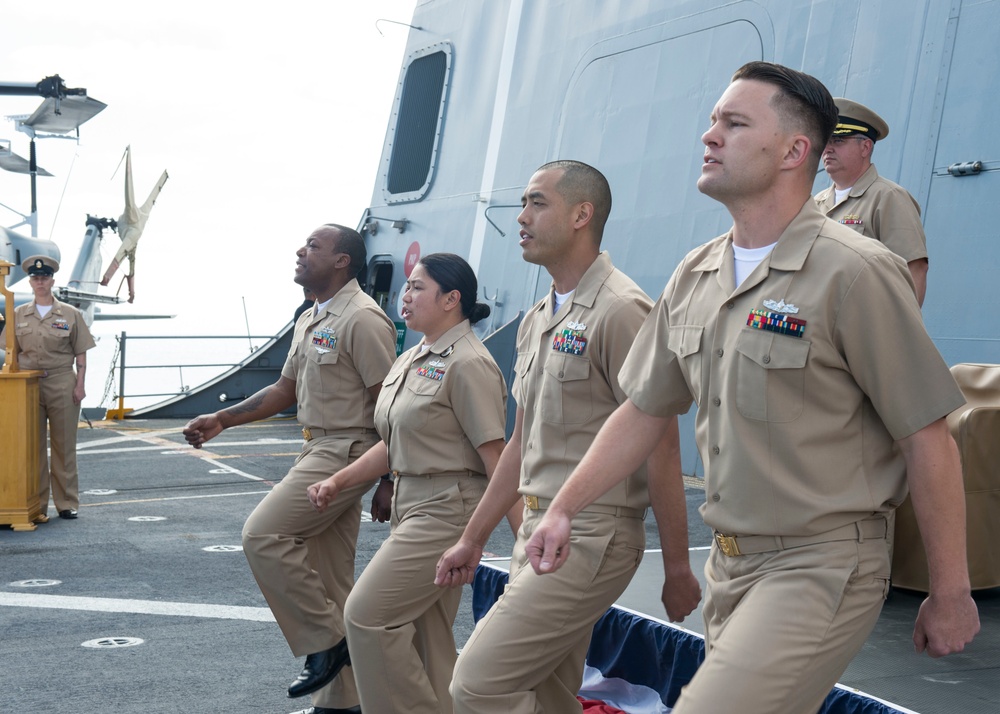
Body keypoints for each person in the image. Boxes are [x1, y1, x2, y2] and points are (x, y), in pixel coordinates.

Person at [524, 63, 980, 714]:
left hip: (820, 567)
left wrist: (950, 590)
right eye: (712, 121)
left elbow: (926, 435)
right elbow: (643, 409)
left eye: (734, 124)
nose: (710, 136)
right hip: (731, 570)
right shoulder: (696, 272)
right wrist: (566, 506)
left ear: (796, 151)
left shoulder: (856, 272)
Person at [434, 160, 701, 713]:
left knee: (477, 683)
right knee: (550, 691)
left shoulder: (623, 310)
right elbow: (520, 444)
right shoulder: (538, 319)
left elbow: (662, 445)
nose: (522, 217)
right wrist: (474, 536)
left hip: (591, 534)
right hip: (537, 529)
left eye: (536, 203)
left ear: (582, 215)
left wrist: (677, 568)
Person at [183, 224, 396, 714]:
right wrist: (222, 419)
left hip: (346, 452)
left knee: (263, 535)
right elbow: (285, 390)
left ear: (343, 261)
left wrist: (389, 478)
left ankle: (326, 641)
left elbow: (389, 405)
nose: (301, 252)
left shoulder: (363, 319)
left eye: (314, 247)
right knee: (330, 579)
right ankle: (343, 703)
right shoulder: (311, 317)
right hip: (314, 448)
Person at [308, 252, 508, 714]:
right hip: (410, 504)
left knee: (366, 617)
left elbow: (496, 457)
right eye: (407, 286)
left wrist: (522, 537)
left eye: (419, 286)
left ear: (451, 299)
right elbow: (393, 441)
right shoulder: (413, 356)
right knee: (428, 638)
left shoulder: (469, 363)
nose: (406, 294)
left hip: (448, 509)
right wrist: (339, 481)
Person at [3, 255, 95, 521]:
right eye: (35, 277)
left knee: (64, 445)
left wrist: (80, 385)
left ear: (52, 281)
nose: (39, 281)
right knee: (30, 447)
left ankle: (66, 503)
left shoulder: (70, 314)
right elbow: (10, 351)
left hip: (61, 382)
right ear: (30, 282)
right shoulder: (19, 314)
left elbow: (81, 354)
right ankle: (36, 504)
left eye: (44, 277)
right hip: (27, 386)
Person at [814, 98, 929, 305]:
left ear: (865, 147)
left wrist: (898, 331)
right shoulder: (817, 203)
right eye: (826, 141)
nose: (828, 149)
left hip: (862, 322)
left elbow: (915, 269)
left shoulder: (888, 197)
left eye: (838, 141)